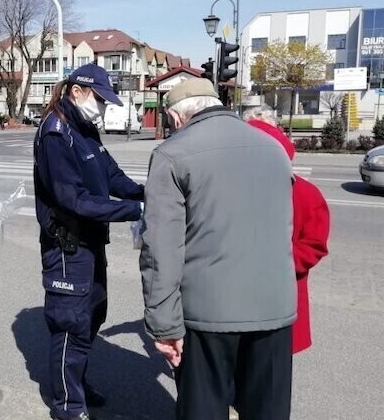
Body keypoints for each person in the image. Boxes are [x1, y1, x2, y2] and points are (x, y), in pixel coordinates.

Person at [140, 78, 296, 420]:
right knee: (267, 410)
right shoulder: (273, 148)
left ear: (176, 117)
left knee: (204, 409)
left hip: (207, 313)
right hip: (275, 306)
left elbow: (160, 251)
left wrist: (164, 327)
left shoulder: (172, 154)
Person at [33, 64, 144, 420]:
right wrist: (134, 210)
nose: (103, 106)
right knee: (71, 324)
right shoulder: (56, 133)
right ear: (77, 91)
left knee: (94, 314)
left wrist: (148, 192)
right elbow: (72, 200)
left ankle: (76, 384)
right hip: (67, 245)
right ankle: (68, 405)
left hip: (91, 241)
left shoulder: (84, 128)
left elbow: (111, 174)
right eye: (99, 98)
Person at [245, 108, 330, 354]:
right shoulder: (307, 191)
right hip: (275, 296)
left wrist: (269, 263)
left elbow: (313, 246)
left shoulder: (303, 192)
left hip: (277, 293)